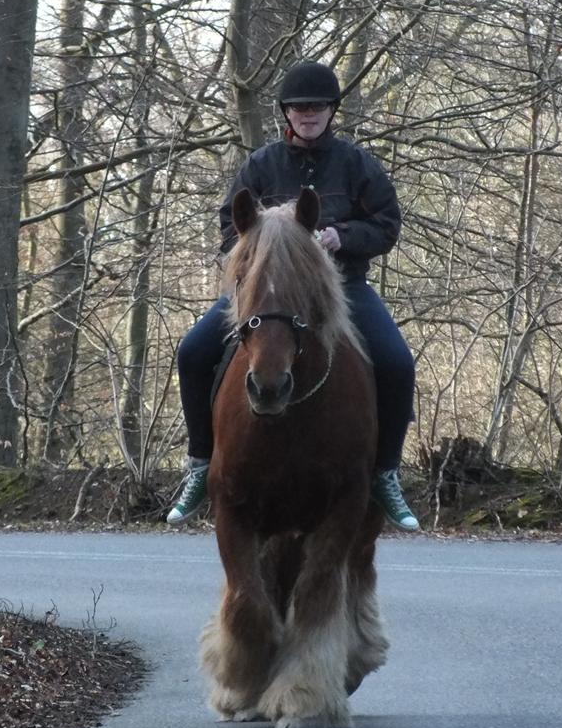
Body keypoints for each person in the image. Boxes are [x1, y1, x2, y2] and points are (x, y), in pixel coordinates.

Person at [166, 61, 420, 532]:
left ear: (331, 112)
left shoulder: (357, 164)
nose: (308, 114)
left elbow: (386, 224)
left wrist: (341, 237)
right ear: (286, 112)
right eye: (300, 107)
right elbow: (230, 225)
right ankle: (201, 463)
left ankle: (385, 472)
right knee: (193, 351)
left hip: (340, 288)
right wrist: (262, 243)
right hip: (266, 292)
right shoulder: (261, 164)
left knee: (397, 362)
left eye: (318, 107)